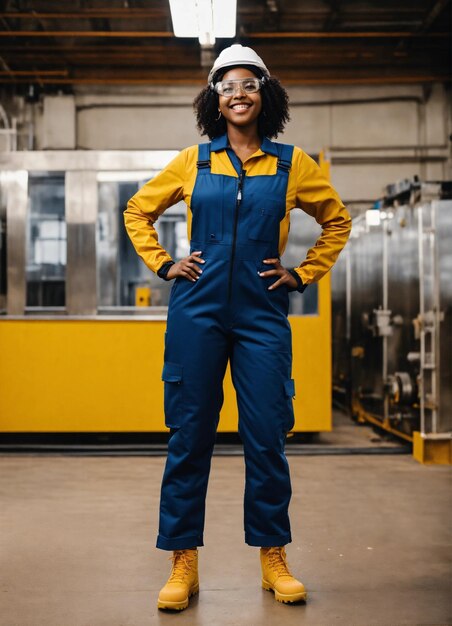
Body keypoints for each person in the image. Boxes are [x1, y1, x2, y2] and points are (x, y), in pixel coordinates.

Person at [124, 44, 351, 611]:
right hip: (197, 312)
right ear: (214, 100)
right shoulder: (193, 162)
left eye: (249, 84)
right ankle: (183, 563)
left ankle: (273, 557)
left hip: (263, 314)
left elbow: (337, 220)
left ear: (265, 94)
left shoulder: (292, 163)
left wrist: (301, 273)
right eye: (227, 86)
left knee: (267, 437)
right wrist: (164, 263)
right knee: (189, 437)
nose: (238, 93)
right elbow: (137, 210)